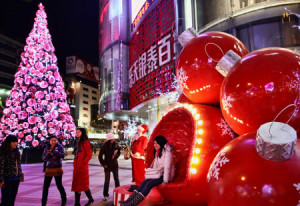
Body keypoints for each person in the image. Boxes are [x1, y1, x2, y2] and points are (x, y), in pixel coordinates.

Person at [119, 135, 173, 206]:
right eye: (154, 143)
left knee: (149, 184)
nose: (155, 145)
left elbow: (167, 168)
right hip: (159, 173)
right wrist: (153, 174)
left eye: (157, 143)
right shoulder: (158, 151)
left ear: (161, 143)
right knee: (145, 181)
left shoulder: (167, 152)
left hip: (166, 175)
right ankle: (128, 201)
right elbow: (156, 165)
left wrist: (165, 180)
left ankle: (132, 204)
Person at [41, 135, 67, 206]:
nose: (53, 142)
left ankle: (64, 199)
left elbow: (62, 155)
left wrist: (54, 151)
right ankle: (43, 202)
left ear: (57, 140)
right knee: (46, 186)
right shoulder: (47, 147)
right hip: (49, 168)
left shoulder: (60, 146)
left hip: (57, 168)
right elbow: (43, 158)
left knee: (59, 185)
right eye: (52, 140)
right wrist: (49, 154)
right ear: (49, 141)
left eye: (55, 140)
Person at [71, 128, 94, 206]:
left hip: (82, 167)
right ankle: (78, 203)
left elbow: (89, 154)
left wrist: (83, 162)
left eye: (79, 132)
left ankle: (87, 200)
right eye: (76, 132)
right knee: (77, 185)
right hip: (77, 166)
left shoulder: (85, 142)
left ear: (82, 133)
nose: (77, 133)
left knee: (83, 185)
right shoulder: (76, 142)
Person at [0, 135, 23, 206]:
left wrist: (19, 175)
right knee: (5, 199)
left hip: (16, 179)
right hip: (7, 179)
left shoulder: (17, 152)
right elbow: (1, 167)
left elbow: (18, 165)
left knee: (12, 199)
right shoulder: (3, 152)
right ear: (8, 142)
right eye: (13, 142)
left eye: (16, 142)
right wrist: (1, 180)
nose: (15, 144)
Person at [98, 133, 121, 201]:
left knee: (116, 179)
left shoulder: (116, 144)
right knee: (107, 181)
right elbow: (100, 156)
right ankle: (105, 194)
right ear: (108, 140)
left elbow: (119, 152)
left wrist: (115, 156)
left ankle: (118, 192)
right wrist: (103, 164)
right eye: (111, 139)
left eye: (113, 139)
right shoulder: (104, 145)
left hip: (114, 164)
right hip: (107, 165)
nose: (112, 140)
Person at [128, 125, 148, 192]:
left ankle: (140, 184)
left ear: (143, 130)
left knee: (140, 171)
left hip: (139, 157)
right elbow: (132, 145)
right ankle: (134, 183)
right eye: (138, 129)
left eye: (140, 130)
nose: (138, 131)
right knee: (134, 170)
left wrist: (139, 153)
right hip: (133, 156)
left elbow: (144, 146)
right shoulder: (135, 137)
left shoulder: (144, 137)